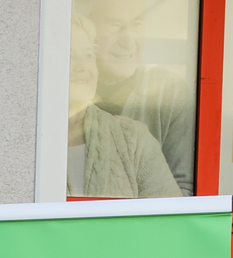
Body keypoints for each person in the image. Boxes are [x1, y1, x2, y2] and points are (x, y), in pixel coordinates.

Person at [80, 0, 196, 193]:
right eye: (114, 25)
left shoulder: (169, 92)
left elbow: (184, 189)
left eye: (137, 24)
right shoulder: (68, 90)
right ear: (89, 31)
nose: (128, 40)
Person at [61, 11, 179, 198]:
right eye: (69, 55)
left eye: (88, 55)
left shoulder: (133, 138)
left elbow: (168, 218)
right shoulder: (24, 138)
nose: (82, 66)